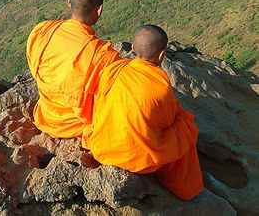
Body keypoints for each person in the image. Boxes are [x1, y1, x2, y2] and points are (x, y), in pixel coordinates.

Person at [82, 25, 203, 200]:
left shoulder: (112, 70)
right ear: (162, 55)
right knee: (187, 126)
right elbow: (167, 122)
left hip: (101, 146)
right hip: (135, 159)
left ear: (132, 48)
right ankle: (184, 188)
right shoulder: (159, 85)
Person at [26, 0, 119, 138]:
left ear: (68, 3)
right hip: (77, 125)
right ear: (99, 10)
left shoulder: (42, 31)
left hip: (46, 116)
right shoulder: (103, 55)